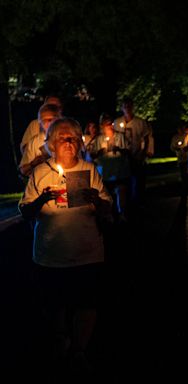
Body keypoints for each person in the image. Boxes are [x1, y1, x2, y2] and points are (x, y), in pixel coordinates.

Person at [18, 117, 112, 376]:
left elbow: (107, 207)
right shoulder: (40, 172)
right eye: (62, 138)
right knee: (55, 304)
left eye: (73, 138)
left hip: (87, 252)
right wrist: (41, 200)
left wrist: (97, 200)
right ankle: (61, 342)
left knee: (87, 303)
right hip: (51, 254)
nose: (69, 143)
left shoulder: (89, 170)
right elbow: (26, 212)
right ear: (51, 145)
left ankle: (80, 350)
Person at [113, 96, 153, 209]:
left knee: (138, 181)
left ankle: (138, 203)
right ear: (122, 108)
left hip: (136, 156)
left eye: (129, 106)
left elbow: (146, 138)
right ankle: (126, 204)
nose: (127, 108)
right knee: (125, 182)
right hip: (122, 158)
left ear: (132, 107)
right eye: (125, 106)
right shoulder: (117, 122)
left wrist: (143, 153)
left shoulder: (140, 122)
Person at [18, 103, 62, 178]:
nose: (48, 123)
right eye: (44, 120)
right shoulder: (35, 142)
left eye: (51, 120)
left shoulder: (68, 137)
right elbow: (23, 170)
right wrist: (34, 163)